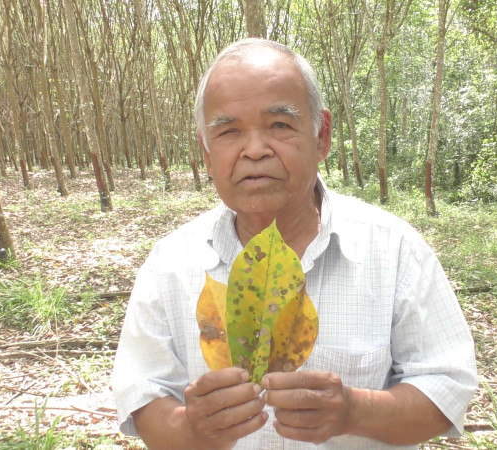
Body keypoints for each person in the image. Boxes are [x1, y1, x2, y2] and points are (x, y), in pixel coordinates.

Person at [111, 38, 477, 449]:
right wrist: (189, 428)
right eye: (229, 132)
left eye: (279, 125)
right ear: (207, 153)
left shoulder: (394, 251)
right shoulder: (170, 265)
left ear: (321, 136)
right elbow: (142, 399)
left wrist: (354, 411)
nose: (254, 150)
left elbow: (447, 389)